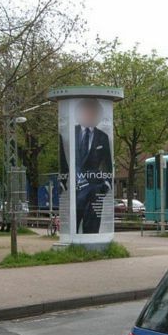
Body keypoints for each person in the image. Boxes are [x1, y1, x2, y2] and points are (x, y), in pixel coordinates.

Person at [73, 98, 112, 234]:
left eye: (93, 113)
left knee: (92, 228)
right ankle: (73, 244)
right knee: (73, 225)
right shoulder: (72, 133)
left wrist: (107, 184)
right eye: (86, 112)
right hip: (75, 189)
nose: (89, 115)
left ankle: (92, 247)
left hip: (95, 190)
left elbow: (108, 164)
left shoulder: (103, 137)